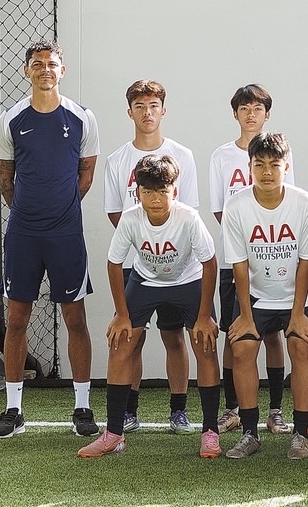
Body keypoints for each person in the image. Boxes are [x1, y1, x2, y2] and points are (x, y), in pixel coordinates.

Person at [0, 41, 102, 440]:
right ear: (27, 71)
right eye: (37, 64)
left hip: (66, 233)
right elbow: (5, 177)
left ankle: (82, 407)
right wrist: (29, 211)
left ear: (62, 70)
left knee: (75, 319)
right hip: (23, 233)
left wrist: (60, 208)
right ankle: (13, 410)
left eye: (51, 64)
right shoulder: (11, 119)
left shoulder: (82, 117)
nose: (45, 70)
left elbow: (85, 174)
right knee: (17, 319)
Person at [78, 155, 220, 459]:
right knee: (120, 344)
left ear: (174, 191)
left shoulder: (188, 218)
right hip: (145, 281)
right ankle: (114, 434)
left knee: (205, 344)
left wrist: (205, 315)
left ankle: (210, 431)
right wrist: (121, 314)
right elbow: (114, 263)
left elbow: (210, 263)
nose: (155, 199)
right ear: (138, 193)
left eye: (162, 192)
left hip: (188, 281)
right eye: (148, 192)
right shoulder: (130, 219)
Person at [101, 79, 202, 435]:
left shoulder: (182, 155)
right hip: (137, 264)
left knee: (174, 338)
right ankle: (128, 412)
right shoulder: (117, 160)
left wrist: (167, 244)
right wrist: (145, 240)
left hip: (178, 268)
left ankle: (179, 411)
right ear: (130, 112)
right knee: (131, 338)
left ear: (163, 110)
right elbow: (116, 212)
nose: (147, 113)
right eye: (140, 106)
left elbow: (189, 211)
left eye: (153, 106)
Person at [221, 132, 308, 459]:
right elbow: (239, 265)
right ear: (249, 167)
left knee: (301, 347)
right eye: (259, 164)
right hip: (256, 296)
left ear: (286, 166)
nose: (266, 171)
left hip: (298, 296)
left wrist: (298, 314)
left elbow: (306, 261)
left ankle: (300, 435)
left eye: (274, 165)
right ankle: (249, 434)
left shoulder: (303, 203)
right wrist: (246, 316)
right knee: (242, 348)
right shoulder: (236, 206)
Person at [207, 84, 292, 435]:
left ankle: (275, 410)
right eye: (244, 108)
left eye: (258, 108)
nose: (251, 114)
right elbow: (220, 210)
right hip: (236, 261)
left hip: (275, 259)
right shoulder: (221, 156)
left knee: (273, 337)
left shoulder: (281, 152)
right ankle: (233, 409)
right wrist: (244, 244)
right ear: (235, 114)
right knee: (236, 334)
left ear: (267, 114)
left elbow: (288, 204)